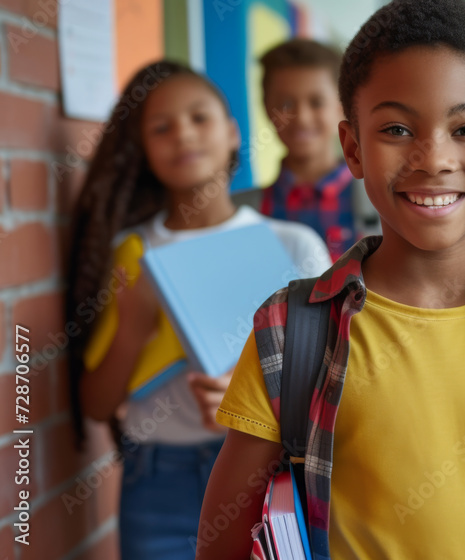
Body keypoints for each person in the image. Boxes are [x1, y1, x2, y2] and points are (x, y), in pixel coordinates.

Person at [197, 1, 465, 558]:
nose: (433, 158)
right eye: (397, 129)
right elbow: (221, 545)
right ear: (352, 147)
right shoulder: (292, 332)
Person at [64, 61, 331, 559]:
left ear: (233, 134)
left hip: (268, 477)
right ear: (144, 150)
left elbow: (335, 385)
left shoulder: (294, 246)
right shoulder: (129, 252)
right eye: (161, 127)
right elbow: (98, 405)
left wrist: (250, 398)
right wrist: (134, 325)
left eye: (199, 118)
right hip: (156, 478)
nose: (182, 134)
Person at [257, 38, 378, 259]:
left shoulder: (381, 203)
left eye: (316, 102)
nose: (302, 118)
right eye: (285, 104)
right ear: (267, 109)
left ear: (342, 108)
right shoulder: (248, 213)